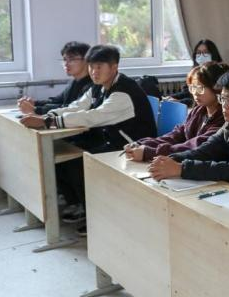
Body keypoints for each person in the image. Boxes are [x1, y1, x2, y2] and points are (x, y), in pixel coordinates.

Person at [19, 45, 157, 227]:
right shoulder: (99, 86)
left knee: (79, 162)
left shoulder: (123, 92)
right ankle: (82, 207)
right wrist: (47, 116)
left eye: (99, 67)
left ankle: (95, 217)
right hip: (113, 140)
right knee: (64, 157)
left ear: (114, 67)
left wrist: (47, 122)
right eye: (91, 66)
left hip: (133, 147)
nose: (93, 72)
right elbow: (77, 106)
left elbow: (93, 116)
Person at [124, 62, 229, 162]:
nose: (195, 93)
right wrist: (141, 143)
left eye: (200, 88)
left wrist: (149, 152)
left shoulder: (225, 118)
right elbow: (177, 134)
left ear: (217, 89)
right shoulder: (198, 111)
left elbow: (193, 147)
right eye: (192, 88)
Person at [18, 41, 93, 114]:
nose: (66, 64)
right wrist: (34, 103)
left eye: (71, 59)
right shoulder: (74, 82)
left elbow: (72, 108)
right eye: (64, 59)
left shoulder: (91, 85)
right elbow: (57, 100)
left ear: (86, 60)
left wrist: (36, 110)